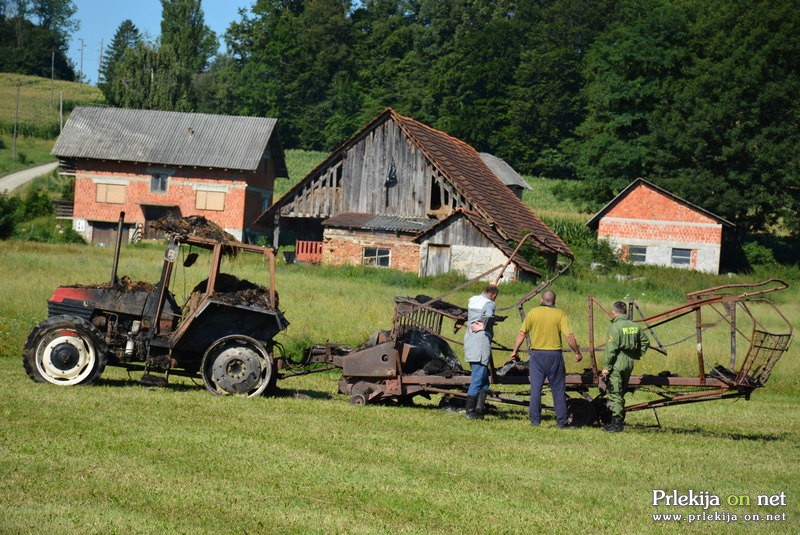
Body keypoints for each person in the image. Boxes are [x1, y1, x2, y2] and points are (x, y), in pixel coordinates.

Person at [510, 290, 582, 428]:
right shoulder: (560, 314)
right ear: (555, 301)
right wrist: (577, 352)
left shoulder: (532, 312)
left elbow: (522, 334)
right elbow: (569, 336)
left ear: (541, 300)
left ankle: (535, 421)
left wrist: (514, 351)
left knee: (535, 389)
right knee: (558, 389)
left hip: (537, 356)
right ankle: (561, 422)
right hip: (554, 356)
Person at [602, 301, 650, 432]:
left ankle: (617, 424)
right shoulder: (635, 326)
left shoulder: (615, 327)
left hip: (618, 361)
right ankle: (616, 421)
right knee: (621, 391)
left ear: (614, 312)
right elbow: (646, 341)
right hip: (629, 361)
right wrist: (636, 354)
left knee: (615, 393)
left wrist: (606, 367)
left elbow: (611, 349)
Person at [464, 284, 499, 419]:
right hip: (480, 343)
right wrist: (484, 325)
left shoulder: (473, 299)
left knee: (484, 380)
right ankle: (470, 411)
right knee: (478, 379)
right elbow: (489, 316)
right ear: (494, 295)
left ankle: (480, 409)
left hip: (470, 340)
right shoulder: (489, 303)